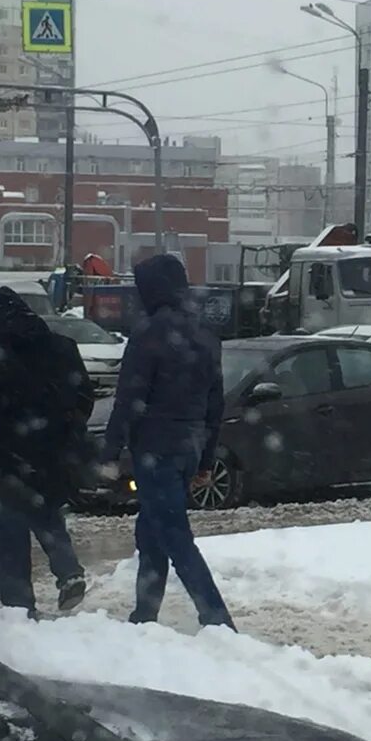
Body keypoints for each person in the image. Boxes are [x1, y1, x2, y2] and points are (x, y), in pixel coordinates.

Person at [100, 254, 236, 631]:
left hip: (155, 447)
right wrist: (206, 459)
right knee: (151, 532)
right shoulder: (204, 334)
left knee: (175, 537)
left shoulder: (148, 333)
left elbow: (130, 397)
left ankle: (217, 620)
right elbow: (215, 403)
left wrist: (111, 451)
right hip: (189, 446)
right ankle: (144, 617)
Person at [0, 287, 93, 617]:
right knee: (47, 512)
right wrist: (70, 429)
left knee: (10, 529)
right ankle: (68, 572)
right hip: (54, 451)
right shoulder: (63, 347)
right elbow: (85, 395)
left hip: (10, 454)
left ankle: (19, 606)